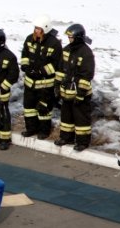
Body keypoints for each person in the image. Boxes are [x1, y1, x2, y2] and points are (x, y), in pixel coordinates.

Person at [20, 15, 63, 139]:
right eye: (35, 28)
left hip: (45, 84)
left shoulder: (54, 44)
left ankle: (44, 131)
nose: (36, 31)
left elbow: (56, 63)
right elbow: (25, 54)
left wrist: (41, 72)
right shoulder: (29, 39)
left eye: (39, 29)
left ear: (46, 29)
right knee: (29, 108)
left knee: (43, 109)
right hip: (29, 83)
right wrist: (25, 66)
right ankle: (31, 129)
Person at [55, 23, 96, 151]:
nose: (69, 39)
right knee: (66, 117)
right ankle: (66, 137)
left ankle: (82, 142)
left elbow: (87, 76)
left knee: (81, 119)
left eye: (71, 37)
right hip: (67, 91)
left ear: (78, 37)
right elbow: (60, 69)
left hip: (80, 93)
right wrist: (57, 86)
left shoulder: (86, 53)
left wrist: (81, 94)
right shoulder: (66, 50)